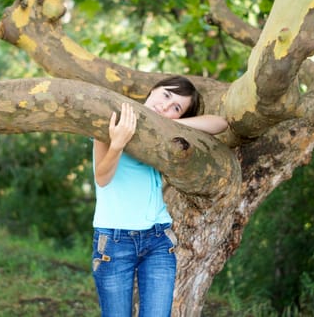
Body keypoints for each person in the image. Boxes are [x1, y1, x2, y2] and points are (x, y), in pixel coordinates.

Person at [91, 76, 227, 317]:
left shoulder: (167, 135)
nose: (166, 106)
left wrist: (174, 124)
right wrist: (117, 144)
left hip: (158, 241)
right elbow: (102, 178)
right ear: (153, 90)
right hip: (114, 240)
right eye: (166, 95)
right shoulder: (117, 118)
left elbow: (219, 123)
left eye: (176, 107)